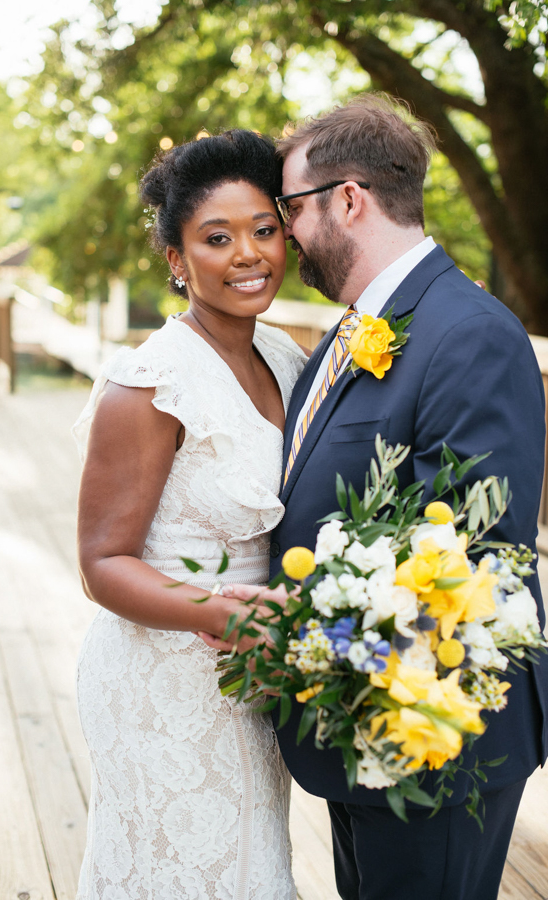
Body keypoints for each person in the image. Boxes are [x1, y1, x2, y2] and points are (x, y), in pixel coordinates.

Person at [205, 95, 548, 900]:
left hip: (438, 731)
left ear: (348, 199)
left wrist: (286, 623)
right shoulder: (348, 330)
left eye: (289, 208)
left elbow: (471, 544)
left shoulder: (469, 332)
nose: (283, 233)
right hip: (362, 719)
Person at [72, 129, 307, 900]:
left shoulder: (284, 356)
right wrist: (230, 617)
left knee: (252, 866)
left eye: (263, 230)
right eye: (217, 238)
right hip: (164, 677)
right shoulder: (149, 384)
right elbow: (103, 565)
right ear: (176, 260)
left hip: (252, 675)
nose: (248, 253)